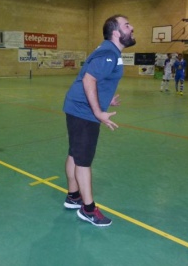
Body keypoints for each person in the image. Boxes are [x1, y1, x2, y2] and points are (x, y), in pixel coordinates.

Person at [63, 14, 136, 227]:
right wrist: (98, 112)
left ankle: (73, 196)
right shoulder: (109, 53)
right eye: (127, 25)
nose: (132, 28)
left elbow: (95, 80)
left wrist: (105, 99)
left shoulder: (109, 51)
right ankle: (88, 209)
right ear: (116, 32)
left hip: (77, 106)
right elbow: (89, 79)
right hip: (83, 111)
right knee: (83, 161)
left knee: (74, 153)